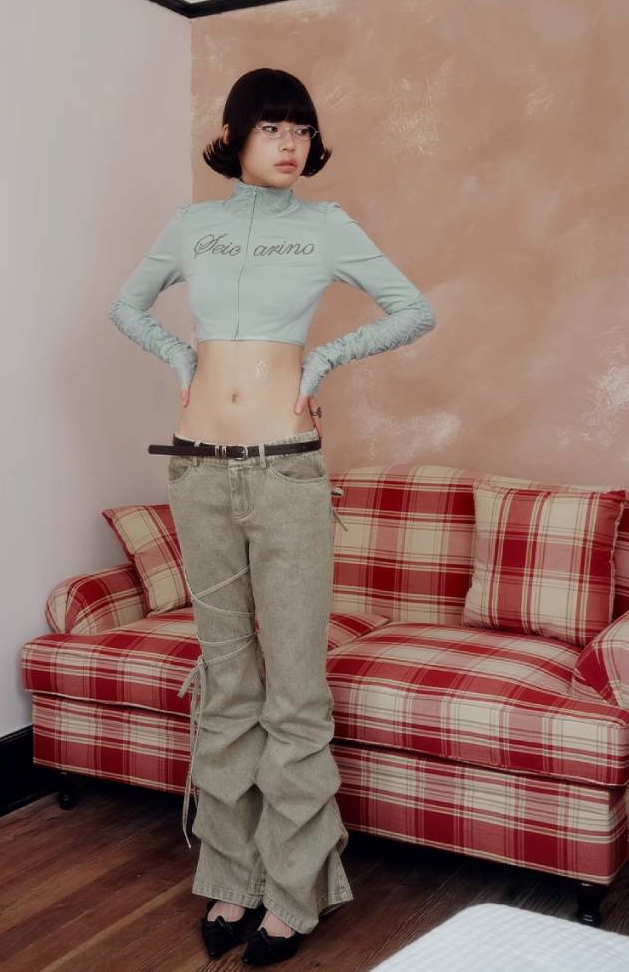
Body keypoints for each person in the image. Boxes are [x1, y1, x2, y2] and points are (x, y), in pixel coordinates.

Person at [109, 67, 437, 965]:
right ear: (235, 136)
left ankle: (295, 888)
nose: (290, 143)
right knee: (227, 687)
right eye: (271, 127)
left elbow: (415, 310)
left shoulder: (327, 227)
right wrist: (184, 363)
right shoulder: (193, 225)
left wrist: (321, 362)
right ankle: (231, 876)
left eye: (301, 129)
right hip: (198, 470)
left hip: (288, 473)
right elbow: (125, 305)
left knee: (294, 691)